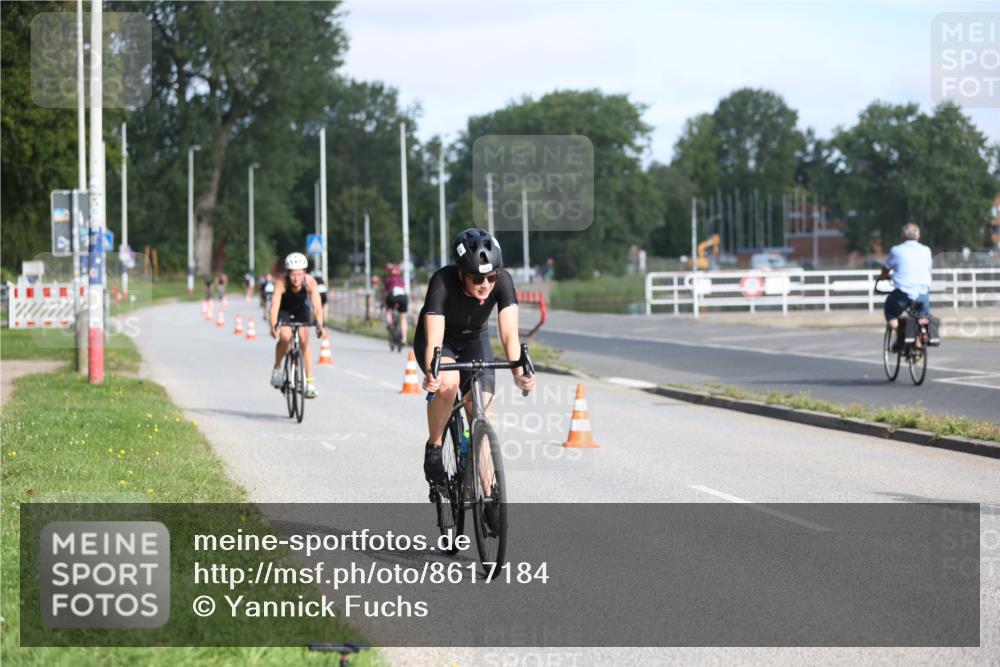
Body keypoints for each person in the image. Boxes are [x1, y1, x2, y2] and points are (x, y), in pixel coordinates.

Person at [414, 228, 536, 488]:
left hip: (474, 341)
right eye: (477, 279)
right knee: (448, 384)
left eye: (490, 277)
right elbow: (434, 340)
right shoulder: (442, 282)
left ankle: (490, 491)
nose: (485, 285)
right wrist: (432, 372)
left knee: (482, 411)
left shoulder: (502, 280)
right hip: (441, 342)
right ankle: (434, 446)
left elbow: (509, 337)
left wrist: (519, 374)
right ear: (462, 274)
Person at [268, 253, 325, 398]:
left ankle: (310, 383)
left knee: (304, 340)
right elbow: (274, 307)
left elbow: (317, 307)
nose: (296, 278)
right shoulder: (281, 282)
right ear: (288, 273)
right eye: (293, 274)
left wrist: (320, 325)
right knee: (285, 337)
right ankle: (277, 369)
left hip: (301, 310)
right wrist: (274, 326)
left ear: (305, 273)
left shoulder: (310, 282)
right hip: (285, 310)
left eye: (300, 274)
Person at [879, 223, 932, 347]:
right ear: (918, 236)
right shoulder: (927, 250)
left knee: (890, 310)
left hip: (903, 294)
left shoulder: (896, 250)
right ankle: (919, 340)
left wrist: (884, 276)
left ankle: (901, 333)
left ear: (902, 236)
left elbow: (886, 269)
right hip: (923, 294)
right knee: (922, 316)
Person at [383, 263, 409, 346]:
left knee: (388, 310)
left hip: (392, 296)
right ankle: (404, 339)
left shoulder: (388, 280)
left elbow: (386, 293)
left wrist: (384, 303)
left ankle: (389, 322)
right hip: (403, 297)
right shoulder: (401, 279)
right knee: (403, 318)